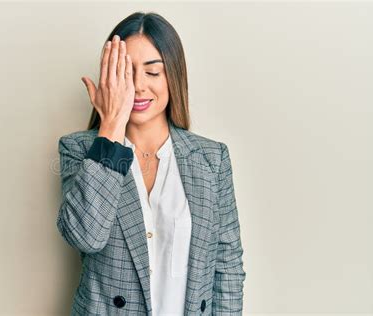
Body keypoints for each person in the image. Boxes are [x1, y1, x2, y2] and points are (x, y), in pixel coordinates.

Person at [56, 11, 246, 315]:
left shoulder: (213, 158)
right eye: (126, 73)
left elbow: (228, 266)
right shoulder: (79, 149)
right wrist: (110, 128)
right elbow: (86, 236)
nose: (139, 86)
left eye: (152, 72)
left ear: (173, 75)